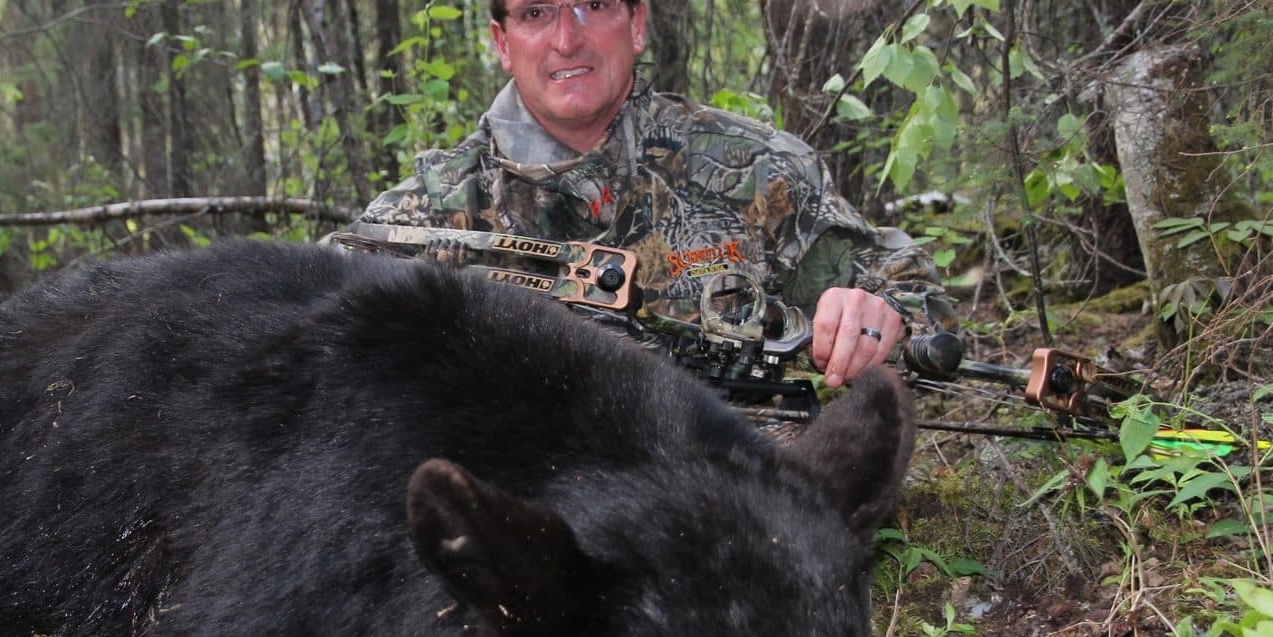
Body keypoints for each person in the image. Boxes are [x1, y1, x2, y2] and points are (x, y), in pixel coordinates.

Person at [342, 0, 956, 388]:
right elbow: (307, 324)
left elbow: (914, 293)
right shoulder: (427, 215)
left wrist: (883, 314)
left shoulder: (751, 167)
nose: (566, 38)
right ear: (503, 43)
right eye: (535, 13)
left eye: (593, 5)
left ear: (635, 25)